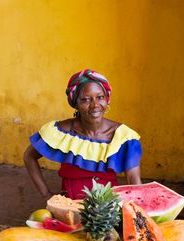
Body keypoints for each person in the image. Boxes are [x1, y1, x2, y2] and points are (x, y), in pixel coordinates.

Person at [23, 69, 142, 200]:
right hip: (69, 205)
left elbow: (134, 180)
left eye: (100, 97)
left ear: (107, 99)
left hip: (107, 209)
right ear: (76, 104)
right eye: (86, 99)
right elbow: (29, 156)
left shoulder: (123, 137)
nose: (95, 105)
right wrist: (46, 194)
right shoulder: (62, 132)